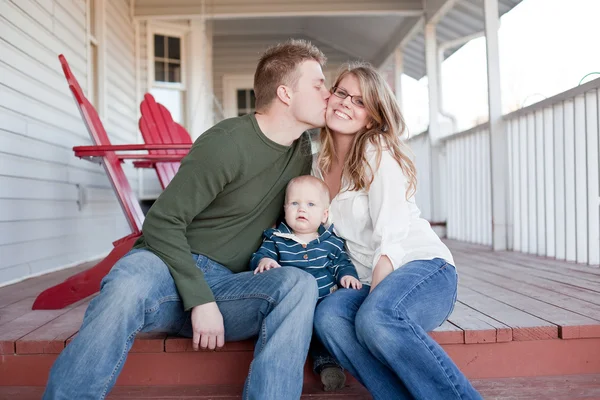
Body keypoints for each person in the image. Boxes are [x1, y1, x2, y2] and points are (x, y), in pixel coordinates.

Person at [43, 39, 331, 400]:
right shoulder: (227, 143)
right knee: (127, 284)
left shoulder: (302, 150)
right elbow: (162, 223)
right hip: (164, 270)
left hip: (230, 287)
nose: (328, 92)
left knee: (298, 286)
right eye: (318, 84)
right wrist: (199, 299)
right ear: (285, 93)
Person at [312, 62, 483, 400]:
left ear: (372, 118)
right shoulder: (316, 164)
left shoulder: (377, 150)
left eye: (359, 101)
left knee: (376, 318)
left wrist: (374, 298)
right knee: (329, 316)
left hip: (421, 269)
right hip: (366, 280)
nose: (346, 102)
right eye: (342, 93)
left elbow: (391, 235)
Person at [250, 175, 362, 391]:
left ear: (324, 214)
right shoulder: (276, 239)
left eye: (311, 204)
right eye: (295, 203)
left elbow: (342, 263)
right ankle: (286, 366)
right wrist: (265, 260)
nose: (302, 209)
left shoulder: (331, 242)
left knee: (323, 329)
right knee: (289, 331)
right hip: (291, 306)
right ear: (285, 209)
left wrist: (346, 275)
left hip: (323, 302)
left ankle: (329, 366)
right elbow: (260, 255)